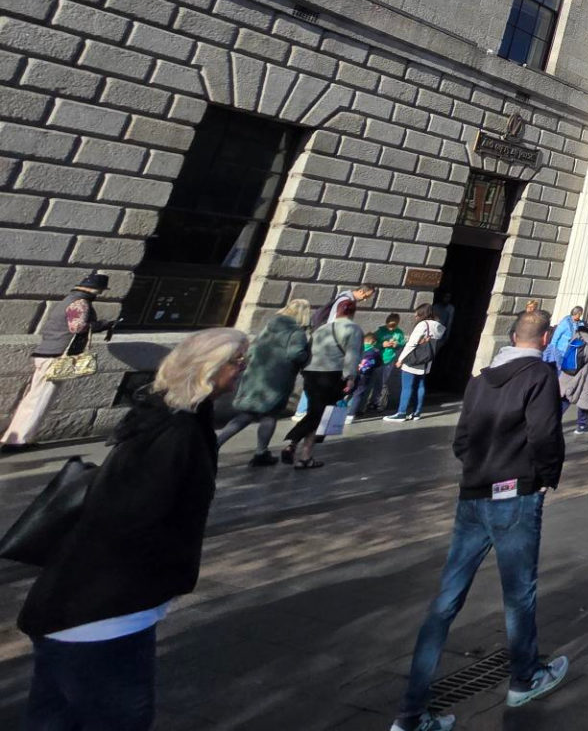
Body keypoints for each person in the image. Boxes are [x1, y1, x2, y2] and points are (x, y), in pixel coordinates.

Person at [21, 327, 245, 730]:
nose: (242, 370)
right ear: (209, 367)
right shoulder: (177, 433)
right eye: (237, 362)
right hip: (103, 612)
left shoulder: (168, 414)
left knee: (53, 715)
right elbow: (130, 519)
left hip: (84, 604)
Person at [390, 310, 569, 731]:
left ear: (511, 337)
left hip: (472, 497)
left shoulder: (480, 378)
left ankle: (410, 714)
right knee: (519, 593)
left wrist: (478, 470)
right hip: (515, 497)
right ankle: (524, 678)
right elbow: (544, 434)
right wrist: (544, 478)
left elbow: (461, 440)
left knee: (446, 600)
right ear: (544, 338)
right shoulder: (540, 375)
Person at [4, 271, 112, 450]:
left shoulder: (68, 299)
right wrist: (101, 325)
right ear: (95, 289)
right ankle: (18, 441)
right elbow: (77, 327)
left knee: (33, 397)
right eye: (100, 290)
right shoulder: (81, 302)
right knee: (40, 400)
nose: (100, 294)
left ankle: (17, 438)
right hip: (56, 357)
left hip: (47, 354)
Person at [218, 299, 311, 466]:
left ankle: (215, 444)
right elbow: (296, 354)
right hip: (276, 381)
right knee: (269, 415)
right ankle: (261, 453)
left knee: (247, 414)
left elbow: (252, 350)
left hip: (255, 375)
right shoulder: (297, 333)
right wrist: (307, 356)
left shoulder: (269, 328)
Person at [283, 296, 358, 469]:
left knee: (315, 412)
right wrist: (351, 377)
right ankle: (296, 448)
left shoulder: (322, 329)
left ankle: (302, 453)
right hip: (332, 375)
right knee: (318, 414)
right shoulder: (352, 329)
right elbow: (352, 355)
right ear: (353, 312)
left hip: (311, 374)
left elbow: (309, 350)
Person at [389, 302, 445, 422]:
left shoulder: (423, 325)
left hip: (413, 359)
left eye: (417, 315)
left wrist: (400, 359)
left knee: (406, 386)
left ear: (422, 314)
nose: (416, 317)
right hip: (426, 361)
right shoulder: (439, 326)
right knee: (420, 386)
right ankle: (416, 413)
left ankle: (401, 413)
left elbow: (411, 344)